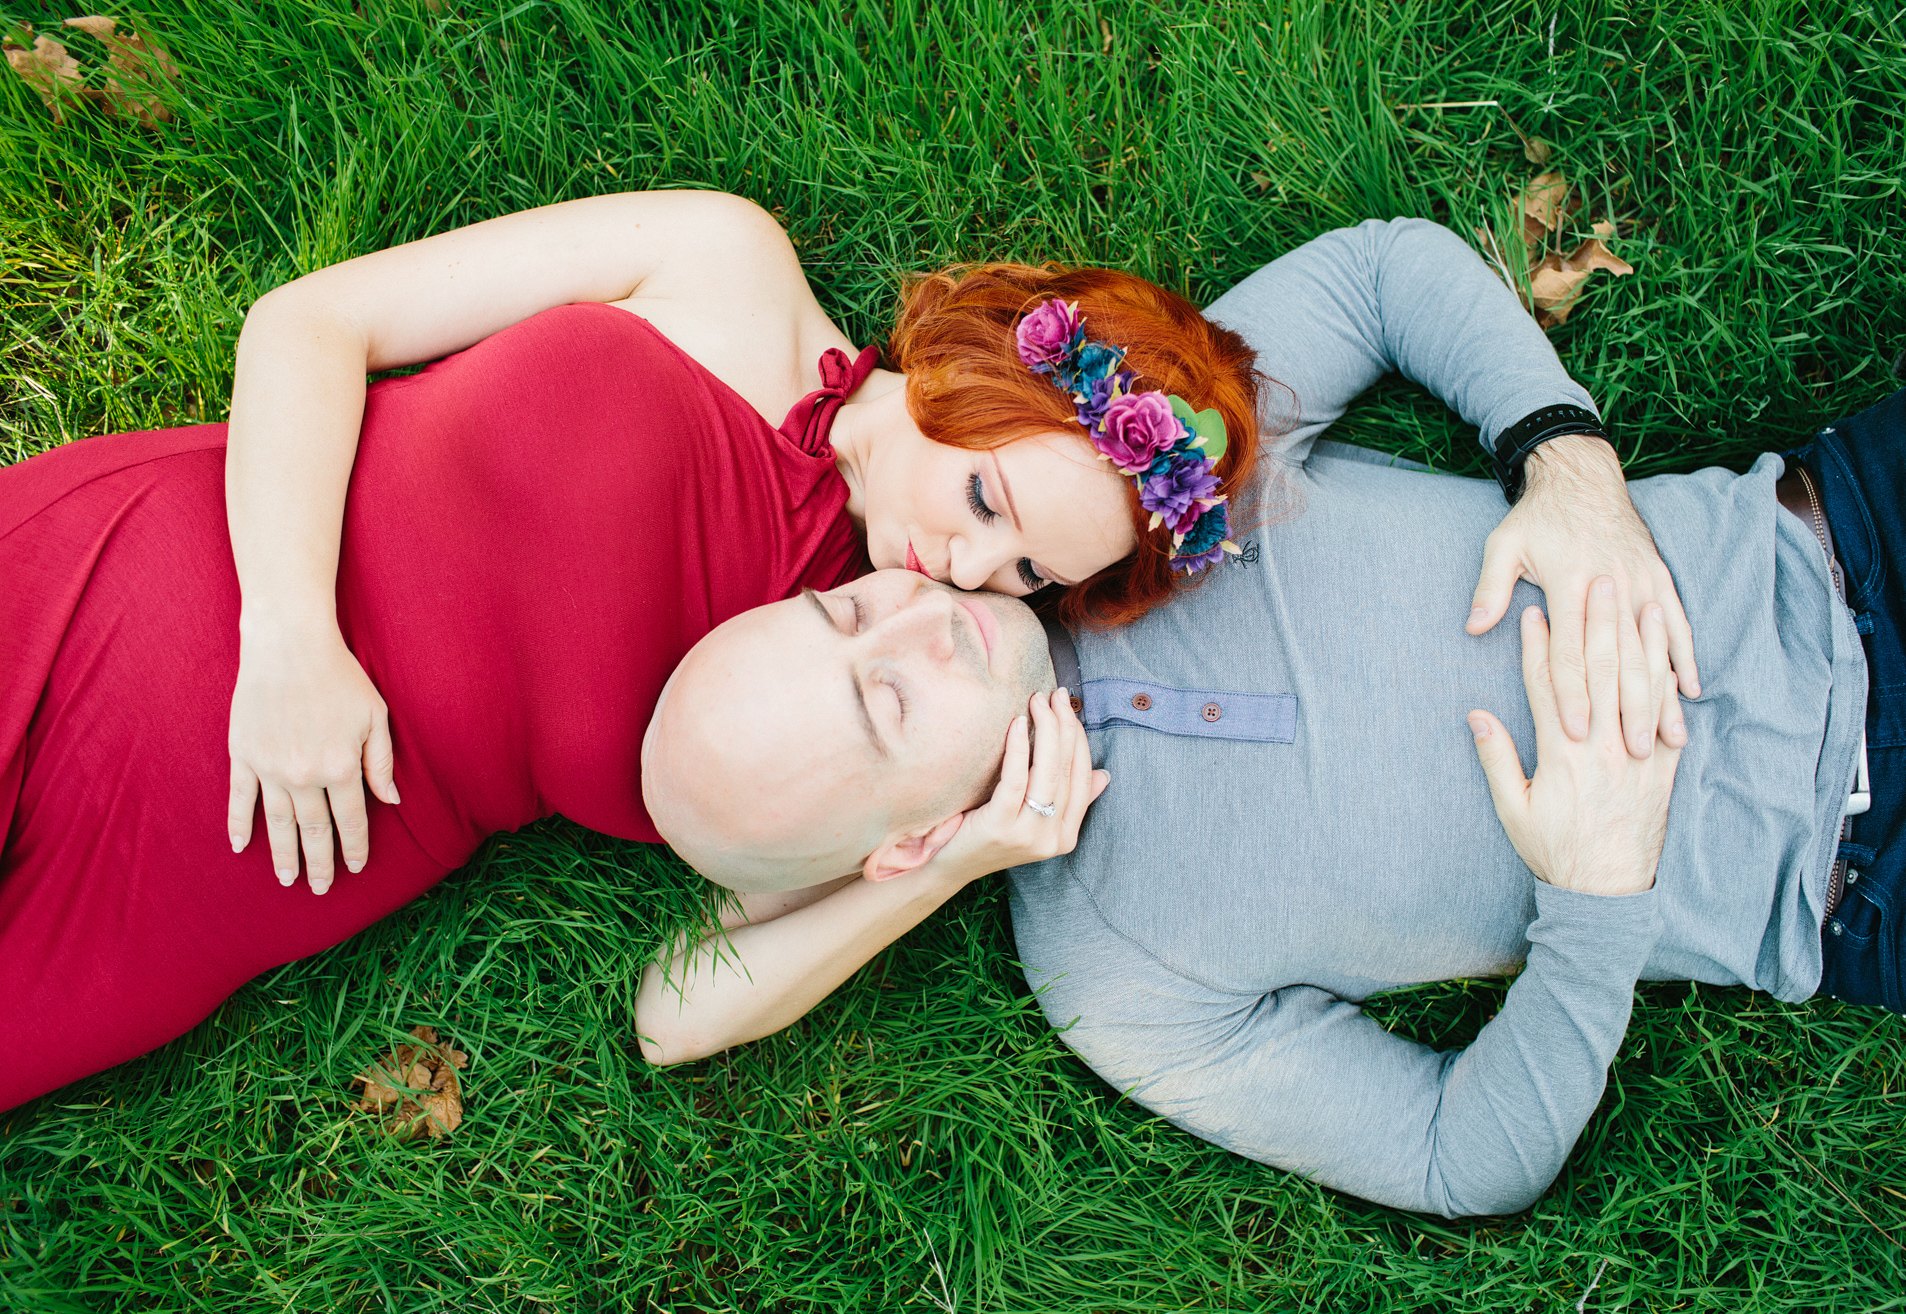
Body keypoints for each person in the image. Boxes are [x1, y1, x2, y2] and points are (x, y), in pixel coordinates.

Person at [637, 217, 1906, 1217]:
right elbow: (1456, 1156)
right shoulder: (1116, 979)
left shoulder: (1132, 497)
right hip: (1889, 879)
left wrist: (1567, 468)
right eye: (886, 699)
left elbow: (1384, 273)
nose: (916, 609)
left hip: (1874, 537)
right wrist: (1596, 904)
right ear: (900, 839)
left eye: (844, 608)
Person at [0, 189, 1266, 1109]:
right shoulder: (722, 262)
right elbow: (308, 325)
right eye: (991, 506)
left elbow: (680, 1004)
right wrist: (288, 636)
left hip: (234, 869)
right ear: (969, 368)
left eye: (1034, 572)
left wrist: (953, 863)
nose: (976, 575)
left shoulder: (879, 685)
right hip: (165, 586)